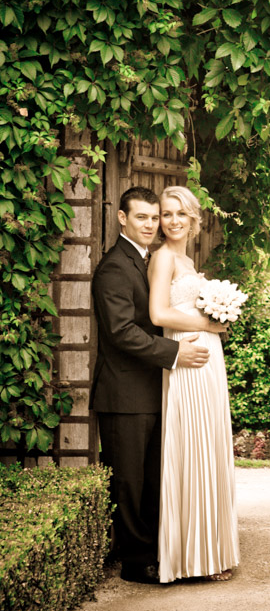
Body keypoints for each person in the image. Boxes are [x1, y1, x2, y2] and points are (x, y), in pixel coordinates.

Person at [90, 186, 211, 585]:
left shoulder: (146, 260)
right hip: (124, 393)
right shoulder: (113, 268)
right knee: (128, 480)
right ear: (122, 218)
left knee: (154, 478)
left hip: (157, 388)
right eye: (141, 217)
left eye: (154, 217)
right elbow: (122, 331)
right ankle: (135, 562)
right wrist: (174, 354)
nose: (151, 224)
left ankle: (158, 551)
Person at [148, 185, 240, 584]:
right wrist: (208, 323)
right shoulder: (163, 258)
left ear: (193, 219)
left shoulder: (186, 258)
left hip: (207, 361)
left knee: (210, 445)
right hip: (185, 359)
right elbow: (158, 314)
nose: (172, 221)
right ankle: (190, 558)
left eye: (180, 214)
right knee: (191, 445)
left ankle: (213, 552)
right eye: (166, 214)